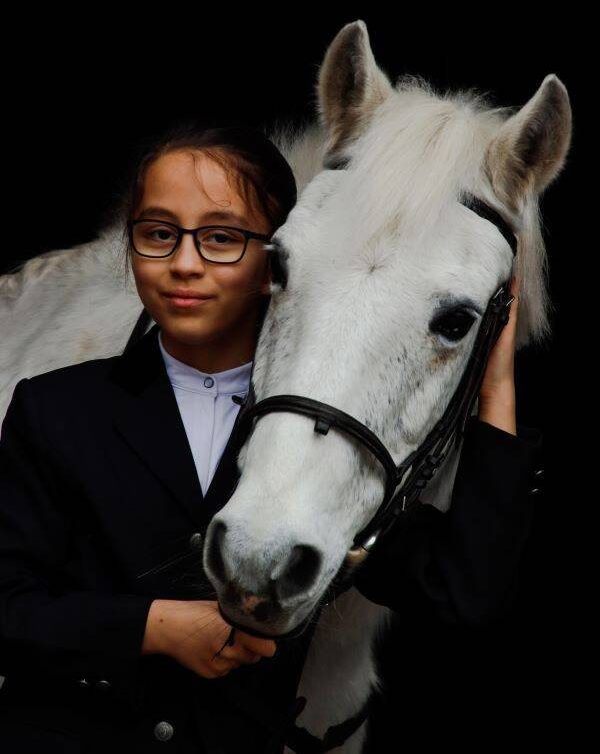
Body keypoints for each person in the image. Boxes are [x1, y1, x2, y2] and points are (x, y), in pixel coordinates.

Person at [0, 124, 544, 753]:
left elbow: (463, 590)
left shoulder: (324, 436)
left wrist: (495, 385)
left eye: (222, 239)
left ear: (271, 257)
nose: (183, 263)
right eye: (157, 235)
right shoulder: (53, 406)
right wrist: (154, 628)